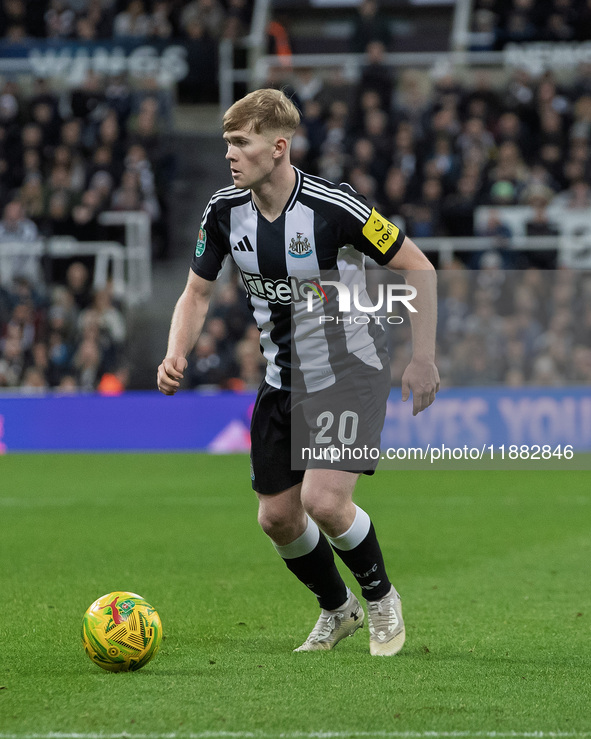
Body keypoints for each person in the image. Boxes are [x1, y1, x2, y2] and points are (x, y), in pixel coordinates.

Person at [157, 88, 439, 656]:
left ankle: (382, 599)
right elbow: (195, 292)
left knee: (325, 502)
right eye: (227, 143)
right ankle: (338, 611)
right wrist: (176, 351)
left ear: (278, 147)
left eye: (241, 142)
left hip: (348, 371)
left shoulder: (336, 207)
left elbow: (419, 267)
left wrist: (423, 357)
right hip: (282, 378)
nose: (231, 154)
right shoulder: (223, 211)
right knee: (277, 519)